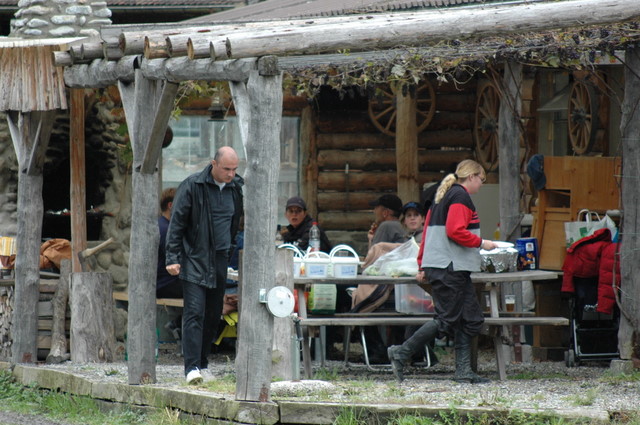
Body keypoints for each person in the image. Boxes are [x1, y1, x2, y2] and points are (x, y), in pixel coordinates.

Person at [387, 159, 498, 384]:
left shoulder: (442, 195)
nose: (481, 184)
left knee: (471, 318)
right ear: (471, 176)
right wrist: (482, 243)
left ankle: (463, 371)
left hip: (446, 265)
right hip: (450, 266)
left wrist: (422, 263)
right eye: (481, 179)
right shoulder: (460, 197)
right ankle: (401, 353)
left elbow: (428, 232)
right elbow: (455, 231)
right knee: (447, 319)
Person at [165, 146, 244, 385]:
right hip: (194, 257)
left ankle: (203, 363)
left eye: (235, 169)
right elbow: (177, 223)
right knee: (194, 312)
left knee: (213, 314)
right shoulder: (192, 186)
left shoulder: (235, 189)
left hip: (220, 258)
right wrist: (172, 257)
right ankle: (191, 368)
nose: (231, 174)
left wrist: (229, 250)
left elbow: (234, 223)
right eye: (227, 169)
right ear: (213, 164)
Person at [156, 187, 183, 347]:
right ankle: (180, 325)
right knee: (203, 290)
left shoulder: (160, 224)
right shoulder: (166, 230)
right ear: (171, 205)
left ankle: (178, 324)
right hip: (166, 283)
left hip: (162, 282)